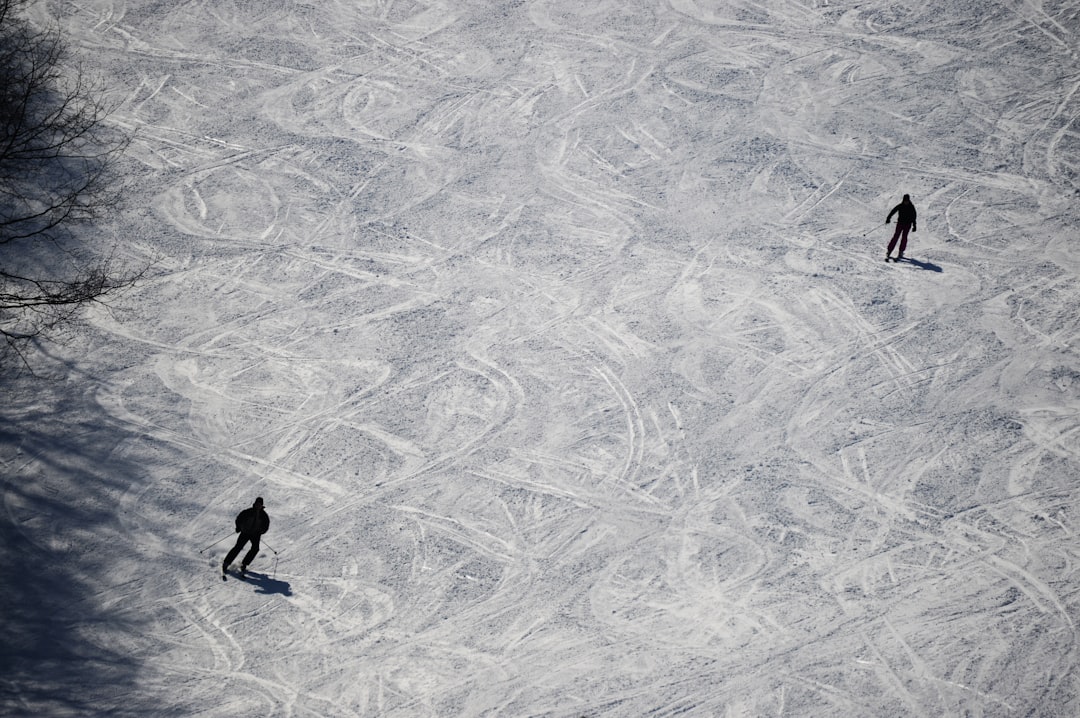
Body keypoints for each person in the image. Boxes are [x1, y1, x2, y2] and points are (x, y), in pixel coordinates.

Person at [223, 497, 269, 574]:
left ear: (262, 505)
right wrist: (238, 527)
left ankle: (244, 564)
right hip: (245, 532)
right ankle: (226, 563)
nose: (258, 505)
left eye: (260, 504)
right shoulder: (248, 511)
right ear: (255, 504)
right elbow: (239, 518)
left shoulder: (264, 515)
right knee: (238, 547)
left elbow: (266, 525)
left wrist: (261, 531)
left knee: (255, 549)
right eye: (257, 504)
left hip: (255, 534)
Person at [885, 194, 917, 261]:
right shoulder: (900, 206)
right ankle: (889, 250)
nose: (906, 202)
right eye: (905, 201)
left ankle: (901, 252)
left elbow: (914, 216)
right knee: (896, 236)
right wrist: (888, 218)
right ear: (903, 200)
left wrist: (914, 225)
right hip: (900, 223)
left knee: (904, 237)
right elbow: (893, 211)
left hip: (907, 224)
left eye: (907, 201)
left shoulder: (911, 207)